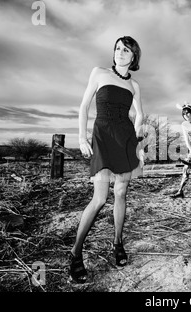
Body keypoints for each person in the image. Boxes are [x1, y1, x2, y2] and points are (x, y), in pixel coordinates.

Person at [69, 36, 144, 284]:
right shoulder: (99, 73)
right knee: (100, 199)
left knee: (120, 193)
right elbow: (84, 106)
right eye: (117, 48)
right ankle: (76, 252)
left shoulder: (134, 85)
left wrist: (139, 141)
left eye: (125, 49)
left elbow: (140, 115)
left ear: (134, 56)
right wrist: (82, 138)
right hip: (102, 137)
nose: (119, 52)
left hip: (126, 140)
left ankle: (117, 242)